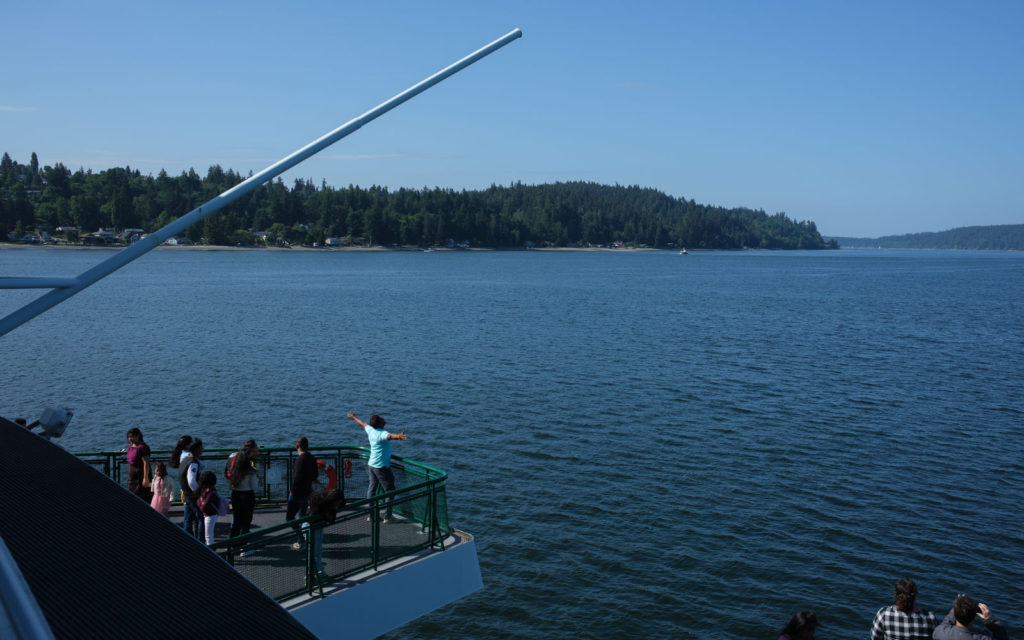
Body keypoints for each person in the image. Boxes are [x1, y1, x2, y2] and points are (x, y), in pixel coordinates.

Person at [346, 412, 407, 522]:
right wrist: (398, 436)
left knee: (372, 488)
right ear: (379, 424)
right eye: (382, 420)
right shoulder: (382, 433)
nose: (384, 420)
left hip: (371, 464)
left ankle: (372, 514)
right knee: (390, 490)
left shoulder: (371, 430)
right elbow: (389, 436)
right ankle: (388, 517)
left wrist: (354, 417)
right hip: (381, 467)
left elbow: (362, 424)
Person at [871, 577, 938, 639]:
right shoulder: (930, 618)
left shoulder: (884, 615)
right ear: (915, 595)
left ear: (895, 594)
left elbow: (875, 638)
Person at [286, 437, 318, 549]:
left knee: (289, 518)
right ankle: (305, 540)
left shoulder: (300, 460)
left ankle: (301, 539)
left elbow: (297, 478)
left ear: (297, 446)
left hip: (297, 493)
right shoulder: (312, 458)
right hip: (307, 491)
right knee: (302, 516)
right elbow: (315, 475)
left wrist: (292, 491)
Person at [933, 594, 1008, 640]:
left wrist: (957, 607)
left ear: (954, 613)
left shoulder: (941, 632)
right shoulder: (984, 638)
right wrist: (990, 620)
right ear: (974, 617)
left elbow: (946, 623)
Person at [307, 489, 346, 576]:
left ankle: (320, 572)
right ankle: (310, 575)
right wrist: (332, 510)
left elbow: (341, 504)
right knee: (314, 552)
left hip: (318, 527)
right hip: (311, 527)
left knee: (318, 551)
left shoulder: (326, 502)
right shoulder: (322, 505)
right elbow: (330, 519)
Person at [228, 440, 260, 539]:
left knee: (236, 521)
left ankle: (232, 545)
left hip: (235, 494)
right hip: (247, 496)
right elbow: (254, 486)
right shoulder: (250, 468)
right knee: (246, 522)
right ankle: (244, 547)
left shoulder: (233, 459)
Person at [178, 439, 205, 540]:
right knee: (201, 518)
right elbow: (191, 481)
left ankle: (187, 541)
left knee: (188, 520)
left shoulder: (185, 459)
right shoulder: (193, 463)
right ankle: (201, 542)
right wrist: (200, 493)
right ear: (197, 449)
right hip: (193, 496)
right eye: (201, 448)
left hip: (186, 494)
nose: (203, 450)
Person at [196, 470, 228, 546]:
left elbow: (202, 506)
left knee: (208, 536)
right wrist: (201, 501)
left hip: (209, 516)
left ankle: (212, 551)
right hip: (211, 515)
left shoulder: (209, 493)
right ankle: (212, 550)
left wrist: (201, 501)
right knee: (209, 535)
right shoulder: (212, 492)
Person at [125, 428, 152, 503]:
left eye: (132, 436)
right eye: (129, 437)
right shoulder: (130, 446)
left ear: (138, 436)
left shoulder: (143, 447)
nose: (130, 439)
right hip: (132, 477)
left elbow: (146, 463)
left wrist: (145, 478)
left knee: (142, 496)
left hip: (140, 476)